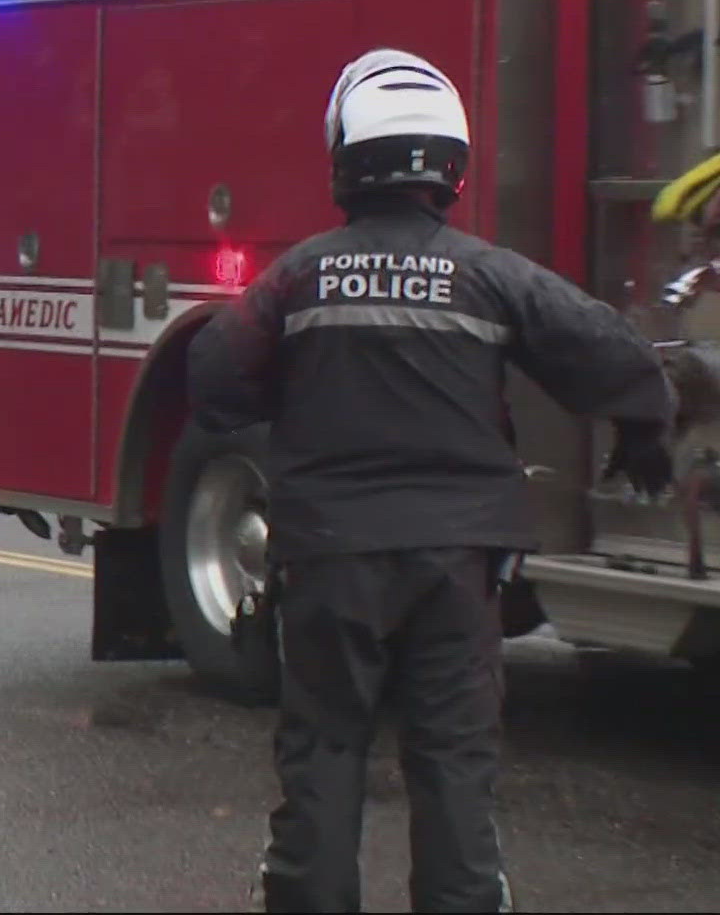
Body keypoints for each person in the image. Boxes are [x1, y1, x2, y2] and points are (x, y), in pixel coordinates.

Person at [187, 48, 676, 914]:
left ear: (343, 154)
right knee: (454, 761)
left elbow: (216, 382)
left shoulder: (299, 276)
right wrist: (644, 432)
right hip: (458, 566)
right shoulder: (489, 274)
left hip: (331, 557)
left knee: (325, 753)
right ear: (451, 163)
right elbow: (607, 351)